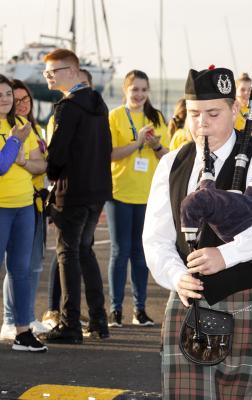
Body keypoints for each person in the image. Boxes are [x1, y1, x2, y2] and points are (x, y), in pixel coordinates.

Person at [142, 66, 252, 399]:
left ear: (235, 110)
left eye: (213, 113)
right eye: (194, 113)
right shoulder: (172, 163)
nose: (202, 123)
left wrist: (227, 254)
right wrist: (175, 275)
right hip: (189, 304)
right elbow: (156, 237)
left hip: (249, 299)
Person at [41, 48, 111, 344]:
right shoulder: (99, 103)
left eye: (52, 72)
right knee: (84, 251)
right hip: (97, 190)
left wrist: (51, 177)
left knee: (68, 253)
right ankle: (98, 319)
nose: (48, 77)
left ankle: (70, 324)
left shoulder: (68, 107)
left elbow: (57, 152)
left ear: (71, 71)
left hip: (72, 192)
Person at [106, 70, 170, 328]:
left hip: (148, 194)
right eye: (135, 89)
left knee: (141, 253)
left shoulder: (156, 117)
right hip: (119, 192)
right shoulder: (115, 116)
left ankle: (140, 309)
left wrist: (153, 145)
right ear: (126, 90)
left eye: (144, 89)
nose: (140, 94)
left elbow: (166, 155)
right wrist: (137, 142)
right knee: (119, 251)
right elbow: (110, 153)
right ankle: (115, 309)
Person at [0, 74, 47, 352]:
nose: (5, 99)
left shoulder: (22, 125)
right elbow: (2, 166)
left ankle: (23, 331)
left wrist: (22, 159)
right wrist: (16, 144)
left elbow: (40, 165)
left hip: (24, 206)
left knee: (21, 270)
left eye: (8, 94)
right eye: (1, 95)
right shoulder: (19, 132)